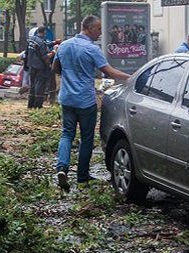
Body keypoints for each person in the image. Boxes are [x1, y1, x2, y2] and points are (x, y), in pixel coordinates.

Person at [52, 15, 130, 190]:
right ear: (89, 28)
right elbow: (109, 72)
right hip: (85, 102)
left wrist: (67, 75)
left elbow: (55, 68)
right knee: (86, 139)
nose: (100, 33)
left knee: (66, 134)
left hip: (67, 99)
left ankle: (62, 168)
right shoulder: (91, 49)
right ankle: (82, 176)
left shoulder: (64, 45)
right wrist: (132, 78)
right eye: (98, 29)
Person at [26, 26, 55, 109]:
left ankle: (30, 104)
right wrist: (53, 52)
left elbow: (27, 53)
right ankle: (38, 105)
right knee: (40, 86)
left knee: (32, 85)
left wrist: (53, 42)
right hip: (40, 67)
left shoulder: (32, 40)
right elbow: (45, 57)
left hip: (31, 65)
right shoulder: (41, 43)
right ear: (44, 32)